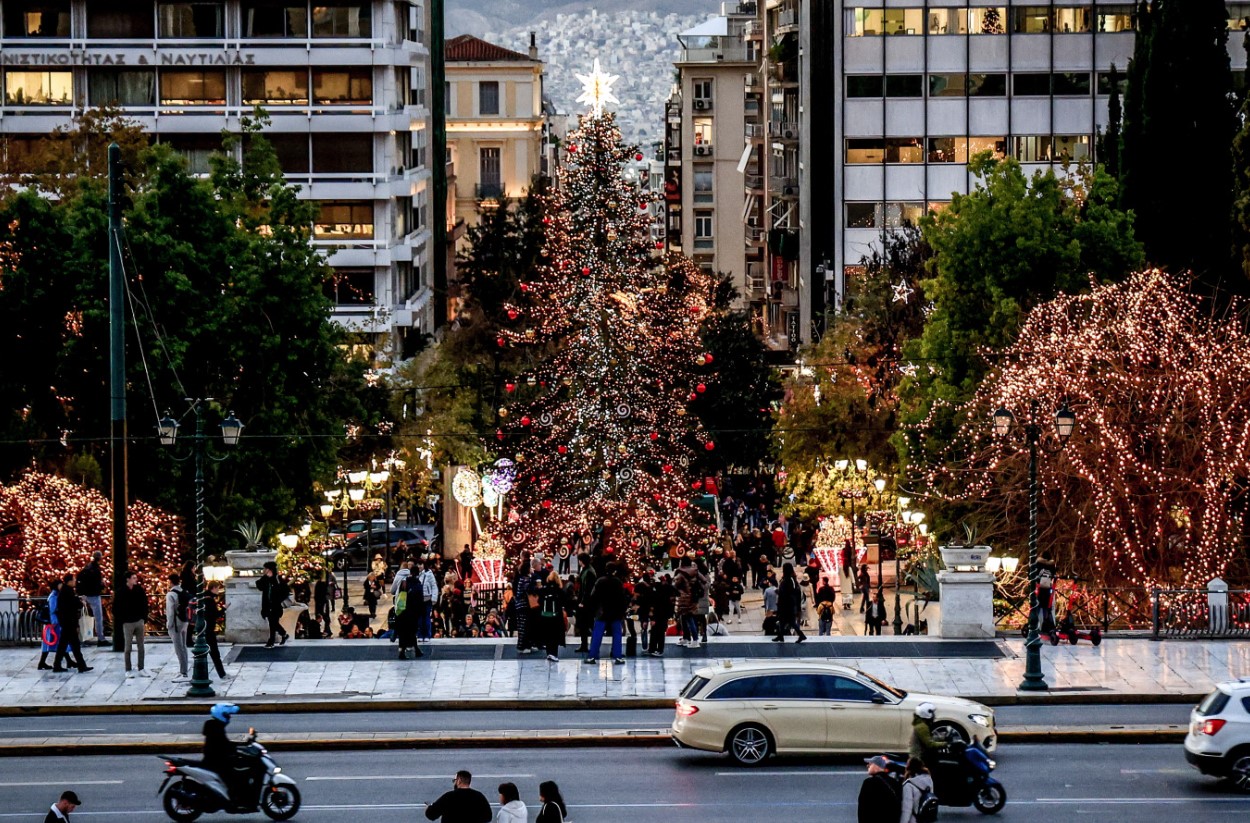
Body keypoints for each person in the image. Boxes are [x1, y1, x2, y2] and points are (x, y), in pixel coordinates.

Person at [585, 562, 628, 664]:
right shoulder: (618, 582)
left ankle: (593, 656)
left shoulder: (600, 581)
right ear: (615, 571)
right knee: (617, 634)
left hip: (602, 612)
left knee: (597, 634)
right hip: (615, 612)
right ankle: (617, 656)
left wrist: (594, 610)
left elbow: (593, 597)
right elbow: (623, 598)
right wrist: (622, 611)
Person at [113, 570, 149, 677]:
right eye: (133, 578)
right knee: (128, 647)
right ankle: (128, 669)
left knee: (141, 646)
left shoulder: (139, 590)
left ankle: (141, 668)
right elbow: (115, 608)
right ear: (128, 579)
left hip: (139, 621)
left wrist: (143, 618)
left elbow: (144, 604)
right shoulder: (121, 592)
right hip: (128, 622)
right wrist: (122, 619)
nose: (135, 580)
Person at [202, 703, 241, 800]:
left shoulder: (214, 725)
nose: (229, 717)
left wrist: (239, 745)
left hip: (216, 757)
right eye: (227, 715)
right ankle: (232, 796)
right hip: (215, 759)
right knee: (232, 774)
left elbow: (225, 742)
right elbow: (222, 744)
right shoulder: (215, 727)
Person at [52, 575, 91, 673]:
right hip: (69, 622)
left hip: (66, 622)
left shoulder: (65, 591)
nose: (75, 582)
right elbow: (73, 605)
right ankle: (81, 665)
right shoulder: (67, 592)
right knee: (73, 645)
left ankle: (58, 664)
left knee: (64, 644)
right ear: (69, 581)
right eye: (74, 580)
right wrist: (81, 602)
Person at [424, 769, 492, 823]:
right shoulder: (479, 796)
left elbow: (431, 815)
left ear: (459, 781)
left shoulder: (448, 797)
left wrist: (428, 808)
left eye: (454, 780)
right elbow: (488, 817)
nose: (454, 783)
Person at [673, 556, 706, 648]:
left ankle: (694, 639)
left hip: (683, 598)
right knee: (685, 617)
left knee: (687, 618)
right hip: (693, 597)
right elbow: (704, 580)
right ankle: (686, 638)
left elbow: (675, 585)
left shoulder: (680, 573)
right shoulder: (695, 571)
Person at [858, 755, 901, 823]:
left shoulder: (868, 783)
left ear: (876, 766)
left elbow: (863, 809)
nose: (867, 766)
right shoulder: (895, 783)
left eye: (870, 764)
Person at [772, 562, 807, 643]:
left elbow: (788, 592)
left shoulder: (789, 580)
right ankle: (781, 636)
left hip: (787, 605)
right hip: (787, 604)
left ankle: (801, 635)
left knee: (789, 621)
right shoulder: (790, 579)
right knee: (783, 620)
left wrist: (779, 592)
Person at [256, 561, 289, 648]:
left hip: (275, 605)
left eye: (265, 569)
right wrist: (265, 577)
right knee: (273, 623)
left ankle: (271, 641)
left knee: (273, 623)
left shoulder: (278, 579)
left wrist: (278, 600)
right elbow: (259, 586)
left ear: (269, 569)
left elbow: (285, 591)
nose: (264, 570)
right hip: (267, 605)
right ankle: (284, 634)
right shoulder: (266, 579)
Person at [77, 551, 107, 645]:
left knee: (82, 616)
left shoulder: (86, 568)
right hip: (94, 595)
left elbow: (79, 579)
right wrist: (102, 586)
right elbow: (97, 584)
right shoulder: (96, 570)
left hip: (84, 595)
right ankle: (101, 638)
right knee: (98, 618)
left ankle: (81, 637)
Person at [538, 569, 566, 661]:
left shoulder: (544, 589)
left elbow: (539, 601)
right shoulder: (559, 590)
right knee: (555, 635)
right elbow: (565, 601)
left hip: (545, 616)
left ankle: (548, 653)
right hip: (556, 616)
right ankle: (554, 653)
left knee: (547, 634)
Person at [165, 574, 189, 680]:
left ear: (170, 582)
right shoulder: (183, 592)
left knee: (178, 647)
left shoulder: (171, 594)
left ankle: (183, 672)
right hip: (184, 621)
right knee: (184, 646)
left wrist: (169, 624)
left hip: (176, 622)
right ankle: (185, 669)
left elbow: (170, 611)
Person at [203, 581, 229, 678]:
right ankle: (222, 674)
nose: (218, 590)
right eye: (217, 588)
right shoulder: (210, 600)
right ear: (213, 588)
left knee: (207, 653)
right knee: (215, 653)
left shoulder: (203, 598)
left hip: (204, 629)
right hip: (209, 630)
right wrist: (224, 609)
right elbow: (215, 615)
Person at [395, 571, 423, 659]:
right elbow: (420, 600)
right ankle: (415, 650)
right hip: (413, 613)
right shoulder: (417, 585)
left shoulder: (403, 583)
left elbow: (397, 594)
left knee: (403, 633)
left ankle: (404, 651)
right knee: (412, 632)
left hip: (402, 611)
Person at [647, 572, 676, 656]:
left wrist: (652, 616)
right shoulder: (667, 589)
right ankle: (657, 649)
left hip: (658, 612)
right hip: (664, 612)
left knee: (655, 631)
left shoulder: (655, 591)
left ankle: (654, 648)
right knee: (659, 631)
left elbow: (653, 603)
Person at [899, 756, 935, 823]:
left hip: (913, 819)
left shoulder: (909, 785)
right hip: (925, 818)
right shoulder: (929, 780)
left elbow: (907, 808)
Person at [909, 702, 943, 767]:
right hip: (919, 759)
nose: (934, 715)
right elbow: (930, 744)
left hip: (921, 755)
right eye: (932, 713)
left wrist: (941, 737)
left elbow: (927, 738)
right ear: (927, 713)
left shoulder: (922, 724)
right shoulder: (923, 727)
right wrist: (946, 744)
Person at [38, 580, 62, 671]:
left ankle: (42, 662)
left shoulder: (55, 595)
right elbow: (52, 610)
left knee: (58, 642)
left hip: (54, 623)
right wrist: (54, 622)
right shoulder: (53, 596)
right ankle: (42, 662)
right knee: (51, 642)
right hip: (53, 623)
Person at [1035, 550, 1058, 633]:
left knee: (1036, 606)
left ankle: (1035, 625)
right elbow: (1054, 575)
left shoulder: (1038, 563)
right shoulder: (1052, 564)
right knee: (1046, 607)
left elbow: (1034, 574)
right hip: (1048, 588)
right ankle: (1046, 624)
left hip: (1039, 587)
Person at [418, 559, 439, 642]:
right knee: (419, 619)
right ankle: (420, 634)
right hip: (418, 600)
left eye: (421, 564)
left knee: (426, 618)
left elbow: (434, 586)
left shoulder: (429, 574)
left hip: (427, 599)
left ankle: (427, 635)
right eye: (418, 565)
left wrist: (434, 598)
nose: (419, 566)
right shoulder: (416, 574)